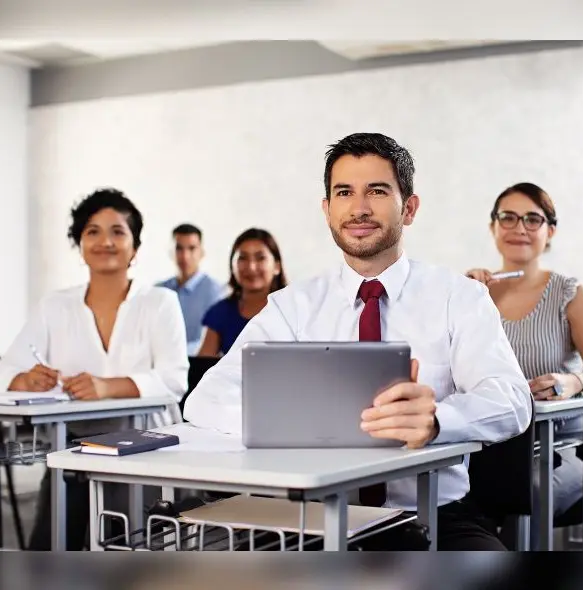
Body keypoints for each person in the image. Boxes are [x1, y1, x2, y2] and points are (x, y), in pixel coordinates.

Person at [183, 132, 532, 551]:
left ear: (410, 208)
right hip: (310, 516)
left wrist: (438, 420)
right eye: (344, 192)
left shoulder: (460, 297)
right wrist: (286, 423)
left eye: (378, 191)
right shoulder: (291, 306)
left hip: (433, 516)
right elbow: (205, 399)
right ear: (328, 209)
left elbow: (512, 398)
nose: (359, 208)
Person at [0, 188, 189, 550]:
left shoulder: (160, 302)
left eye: (117, 231)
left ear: (135, 248)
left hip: (150, 452)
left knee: (131, 549)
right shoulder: (55, 306)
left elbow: (175, 380)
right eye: (92, 231)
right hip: (75, 450)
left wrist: (107, 386)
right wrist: (24, 380)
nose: (104, 241)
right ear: (80, 245)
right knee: (48, 548)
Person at [465, 182, 583, 540]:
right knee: (440, 492)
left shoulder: (571, 293)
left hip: (564, 443)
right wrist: (460, 298)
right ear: (493, 227)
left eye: (533, 219)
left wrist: (573, 382)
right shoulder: (473, 295)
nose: (519, 228)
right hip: (492, 443)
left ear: (549, 232)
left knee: (523, 490)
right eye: (508, 217)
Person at [197, 228, 287, 357]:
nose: (251, 267)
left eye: (260, 258)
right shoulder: (220, 312)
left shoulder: (291, 310)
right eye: (242, 258)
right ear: (232, 266)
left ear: (277, 266)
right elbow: (200, 368)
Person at [157, 224, 225, 355]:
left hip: (199, 366)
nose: (185, 256)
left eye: (192, 248)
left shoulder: (216, 292)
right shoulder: (159, 290)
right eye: (179, 248)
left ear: (202, 252)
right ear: (171, 252)